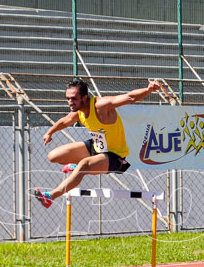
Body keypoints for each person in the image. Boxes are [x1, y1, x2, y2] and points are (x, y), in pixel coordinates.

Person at [32, 78, 162, 208]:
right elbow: (65, 121)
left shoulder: (101, 105)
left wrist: (148, 89)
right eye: (68, 98)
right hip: (96, 148)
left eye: (73, 98)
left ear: (84, 98)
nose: (70, 102)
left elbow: (130, 97)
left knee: (84, 164)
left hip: (115, 157)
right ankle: (76, 167)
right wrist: (50, 132)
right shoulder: (79, 111)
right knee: (54, 156)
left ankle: (50, 196)